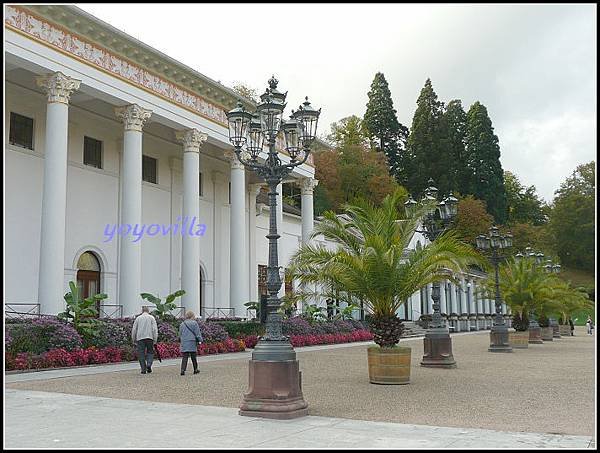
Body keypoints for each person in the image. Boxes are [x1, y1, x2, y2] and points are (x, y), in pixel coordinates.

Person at [131, 306, 158, 374]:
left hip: (140, 338)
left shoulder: (138, 318)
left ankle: (143, 369)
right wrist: (155, 339)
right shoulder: (152, 318)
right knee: (150, 352)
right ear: (148, 311)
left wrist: (133, 338)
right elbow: (154, 329)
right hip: (150, 337)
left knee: (141, 353)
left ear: (142, 311)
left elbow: (134, 329)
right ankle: (149, 364)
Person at [179, 311, 203, 375]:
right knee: (193, 356)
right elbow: (197, 333)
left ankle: (182, 370)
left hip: (184, 341)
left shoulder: (182, 324)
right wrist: (200, 340)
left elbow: (180, 334)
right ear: (192, 316)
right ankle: (195, 369)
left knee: (185, 356)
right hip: (192, 341)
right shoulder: (194, 323)